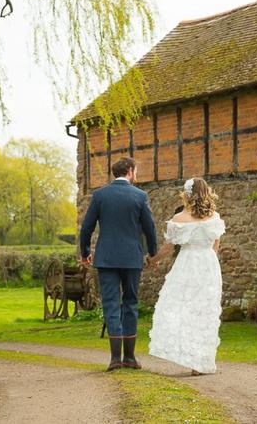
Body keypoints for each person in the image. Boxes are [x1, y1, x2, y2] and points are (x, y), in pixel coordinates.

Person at [79, 157, 158, 371]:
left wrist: (85, 252)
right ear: (130, 171)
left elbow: (86, 228)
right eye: (136, 171)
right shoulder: (140, 196)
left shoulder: (100, 195)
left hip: (106, 259)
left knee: (111, 304)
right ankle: (130, 358)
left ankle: (115, 359)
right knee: (130, 303)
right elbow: (150, 229)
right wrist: (153, 254)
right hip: (132, 259)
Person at [148, 177, 225, 375]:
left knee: (182, 308)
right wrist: (209, 262)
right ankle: (200, 361)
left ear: (187, 195)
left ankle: (193, 358)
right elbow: (216, 245)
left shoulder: (179, 219)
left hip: (188, 263)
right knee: (204, 311)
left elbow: (168, 247)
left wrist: (154, 260)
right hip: (209, 264)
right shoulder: (214, 217)